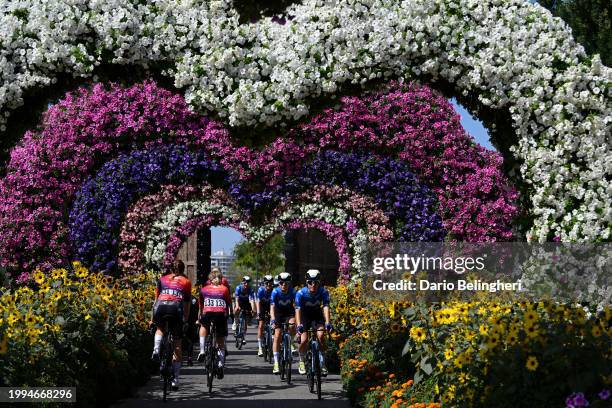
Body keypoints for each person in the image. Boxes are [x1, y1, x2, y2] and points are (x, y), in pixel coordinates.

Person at [150, 260, 192, 390]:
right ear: (183, 269)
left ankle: (156, 350)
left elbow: (155, 300)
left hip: (161, 307)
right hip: (175, 310)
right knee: (177, 343)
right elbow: (186, 303)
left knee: (160, 328)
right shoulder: (186, 282)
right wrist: (185, 319)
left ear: (171, 269)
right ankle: (175, 380)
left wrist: (152, 319)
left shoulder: (162, 279)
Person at [295, 269, 332, 376]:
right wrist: (299, 326)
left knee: (321, 336)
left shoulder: (323, 292)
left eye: (316, 282)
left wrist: (328, 322)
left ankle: (322, 362)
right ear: (306, 282)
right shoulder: (300, 293)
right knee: (304, 340)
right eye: (310, 282)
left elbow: (326, 307)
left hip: (317, 315)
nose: (313, 285)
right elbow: (297, 310)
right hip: (304, 316)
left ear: (319, 282)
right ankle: (301, 360)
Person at [197, 268, 232, 379]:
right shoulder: (225, 289)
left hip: (208, 314)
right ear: (221, 279)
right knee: (220, 341)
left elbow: (201, 306)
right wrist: (229, 315)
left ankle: (202, 351)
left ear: (210, 279)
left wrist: (199, 317)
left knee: (203, 326)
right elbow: (228, 303)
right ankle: (221, 363)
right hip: (220, 315)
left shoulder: (204, 289)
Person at [270, 272, 296, 374]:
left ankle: (292, 342)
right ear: (278, 283)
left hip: (289, 313)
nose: (283, 285)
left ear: (289, 283)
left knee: (292, 325)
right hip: (278, 313)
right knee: (277, 335)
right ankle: (276, 363)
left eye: (286, 283)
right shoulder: (275, 292)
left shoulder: (293, 292)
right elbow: (272, 307)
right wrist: (273, 320)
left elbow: (296, 306)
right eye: (281, 283)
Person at [232, 275, 256, 343]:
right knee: (236, 309)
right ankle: (235, 321)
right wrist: (237, 306)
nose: (246, 284)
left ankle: (243, 337)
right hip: (239, 301)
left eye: (248, 283)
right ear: (242, 282)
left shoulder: (250, 290)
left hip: (246, 303)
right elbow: (236, 299)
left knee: (246, 320)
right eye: (245, 282)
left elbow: (252, 301)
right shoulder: (238, 288)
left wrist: (253, 309)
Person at [256, 274, 274, 357]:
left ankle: (272, 339)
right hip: (262, 307)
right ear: (264, 284)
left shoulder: (274, 291)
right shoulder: (260, 290)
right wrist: (259, 313)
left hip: (271, 307)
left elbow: (274, 305)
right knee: (261, 325)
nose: (268, 285)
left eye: (270, 284)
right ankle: (260, 347)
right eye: (267, 283)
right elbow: (258, 302)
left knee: (273, 324)